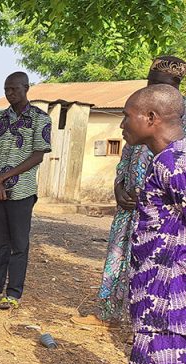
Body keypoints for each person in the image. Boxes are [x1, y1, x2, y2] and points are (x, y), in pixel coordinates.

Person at [121, 83, 186, 364]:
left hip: (165, 297)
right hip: (160, 291)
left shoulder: (173, 163)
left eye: (126, 116)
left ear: (150, 118)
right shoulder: (169, 159)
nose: (122, 125)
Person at [95, 56, 186, 323]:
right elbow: (126, 157)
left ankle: (146, 318)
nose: (156, 89)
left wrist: (152, 195)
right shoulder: (139, 113)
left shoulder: (174, 117)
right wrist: (118, 187)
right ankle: (110, 313)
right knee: (120, 257)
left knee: (157, 264)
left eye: (165, 85)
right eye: (152, 83)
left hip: (163, 209)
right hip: (128, 204)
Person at [0, 72, 52, 310]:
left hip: (21, 190)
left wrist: (2, 177)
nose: (10, 93)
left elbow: (37, 156)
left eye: (14, 89)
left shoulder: (40, 118)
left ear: (26, 88)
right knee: (0, 243)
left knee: (19, 244)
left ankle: (14, 293)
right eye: (7, 89)